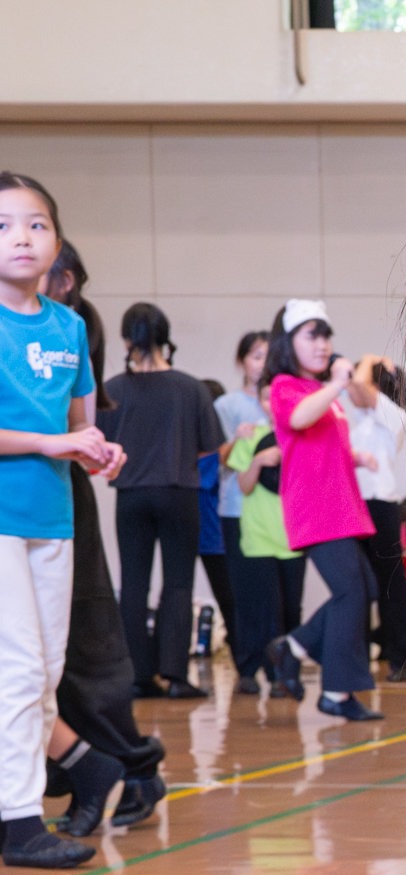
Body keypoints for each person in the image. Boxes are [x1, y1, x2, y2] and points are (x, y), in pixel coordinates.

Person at [0, 171, 125, 870]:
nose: (22, 236)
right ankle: (21, 822)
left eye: (36, 223)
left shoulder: (69, 327)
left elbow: (81, 425)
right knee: (17, 670)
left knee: (43, 673)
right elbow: (52, 437)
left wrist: (98, 451)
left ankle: (22, 803)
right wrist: (54, 443)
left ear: (57, 241)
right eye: (4, 225)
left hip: (53, 519)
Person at [37, 238, 165, 829]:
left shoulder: (66, 327)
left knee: (85, 644)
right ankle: (65, 770)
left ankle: (132, 766)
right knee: (35, 655)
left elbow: (74, 429)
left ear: (62, 278)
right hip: (27, 499)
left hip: (58, 499)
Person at [99, 301, 224, 700]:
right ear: (167, 337)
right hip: (178, 493)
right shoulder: (191, 388)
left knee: (133, 584)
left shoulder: (113, 390)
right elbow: (210, 448)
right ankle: (175, 676)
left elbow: (99, 445)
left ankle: (138, 676)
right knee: (178, 584)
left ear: (125, 339)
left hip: (131, 495)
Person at [265, 299, 380, 721]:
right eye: (311, 335)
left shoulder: (322, 391)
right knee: (351, 592)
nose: (322, 343)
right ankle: (336, 693)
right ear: (289, 341)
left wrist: (357, 457)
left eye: (325, 334)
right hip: (315, 507)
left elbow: (323, 446)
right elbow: (297, 421)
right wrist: (336, 384)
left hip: (341, 504)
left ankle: (291, 647)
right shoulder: (285, 386)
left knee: (362, 590)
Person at [223, 387, 308, 702]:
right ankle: (252, 673)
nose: (274, 403)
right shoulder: (251, 435)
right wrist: (259, 460)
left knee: (290, 609)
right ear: (259, 403)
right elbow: (243, 486)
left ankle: (285, 676)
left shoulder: (303, 435)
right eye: (267, 397)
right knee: (259, 607)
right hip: (258, 537)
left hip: (294, 536)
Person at [342, 354, 406, 680]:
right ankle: (359, 658)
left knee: (389, 584)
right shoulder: (362, 417)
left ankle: (402, 656)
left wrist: (374, 358)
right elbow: (352, 387)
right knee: (356, 583)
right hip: (354, 503)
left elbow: (357, 383)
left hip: (379, 504)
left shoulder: (392, 412)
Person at [216, 331, 274, 694]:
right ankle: (248, 666)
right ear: (241, 362)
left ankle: (280, 666)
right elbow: (215, 457)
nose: (261, 364)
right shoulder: (227, 405)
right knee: (244, 590)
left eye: (268, 356)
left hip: (276, 512)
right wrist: (238, 440)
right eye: (255, 356)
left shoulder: (284, 403)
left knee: (279, 592)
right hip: (237, 508)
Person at [193, 379, 237, 664]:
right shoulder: (210, 453)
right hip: (211, 535)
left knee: (230, 599)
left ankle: (240, 652)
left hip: (214, 535)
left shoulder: (212, 450)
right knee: (229, 599)